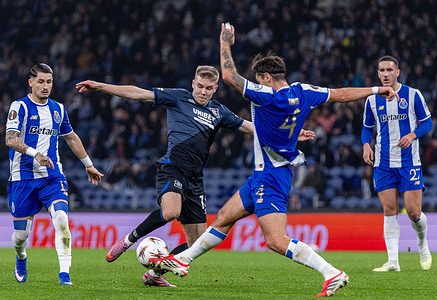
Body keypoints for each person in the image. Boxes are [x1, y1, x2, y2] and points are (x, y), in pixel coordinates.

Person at [152, 23, 398, 297]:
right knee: (222, 219)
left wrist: (225, 43)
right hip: (263, 174)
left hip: (271, 175)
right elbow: (340, 95)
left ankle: (332, 273)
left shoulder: (267, 95)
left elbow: (230, 76)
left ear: (267, 77)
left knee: (275, 241)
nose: (256, 83)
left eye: (259, 79)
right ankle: (182, 260)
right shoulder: (303, 90)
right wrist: (376, 90)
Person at [76, 66, 259, 287]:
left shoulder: (219, 112)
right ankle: (128, 241)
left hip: (195, 179)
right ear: (193, 84)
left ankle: (154, 275)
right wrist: (100, 86)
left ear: (215, 89)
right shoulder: (178, 97)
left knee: (198, 243)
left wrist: (290, 134)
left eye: (208, 88)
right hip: (172, 167)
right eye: (199, 86)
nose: (203, 91)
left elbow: (250, 127)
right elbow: (138, 93)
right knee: (172, 211)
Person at [5, 63, 104, 285]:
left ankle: (64, 274)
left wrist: (88, 164)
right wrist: (35, 154)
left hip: (52, 177)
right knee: (21, 237)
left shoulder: (58, 109)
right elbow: (10, 139)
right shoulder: (19, 107)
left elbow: (71, 137)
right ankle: (21, 257)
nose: (45, 86)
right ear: (30, 82)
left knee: (61, 219)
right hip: (23, 178)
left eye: (49, 81)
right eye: (40, 81)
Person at [361, 55, 433, 272]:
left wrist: (412, 135)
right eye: (381, 70)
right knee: (389, 209)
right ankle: (393, 261)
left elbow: (427, 123)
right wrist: (366, 144)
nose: (385, 74)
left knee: (413, 212)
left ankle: (422, 244)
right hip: (383, 162)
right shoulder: (372, 99)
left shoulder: (412, 95)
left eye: (389, 70)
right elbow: (366, 127)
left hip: (409, 161)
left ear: (397, 72)